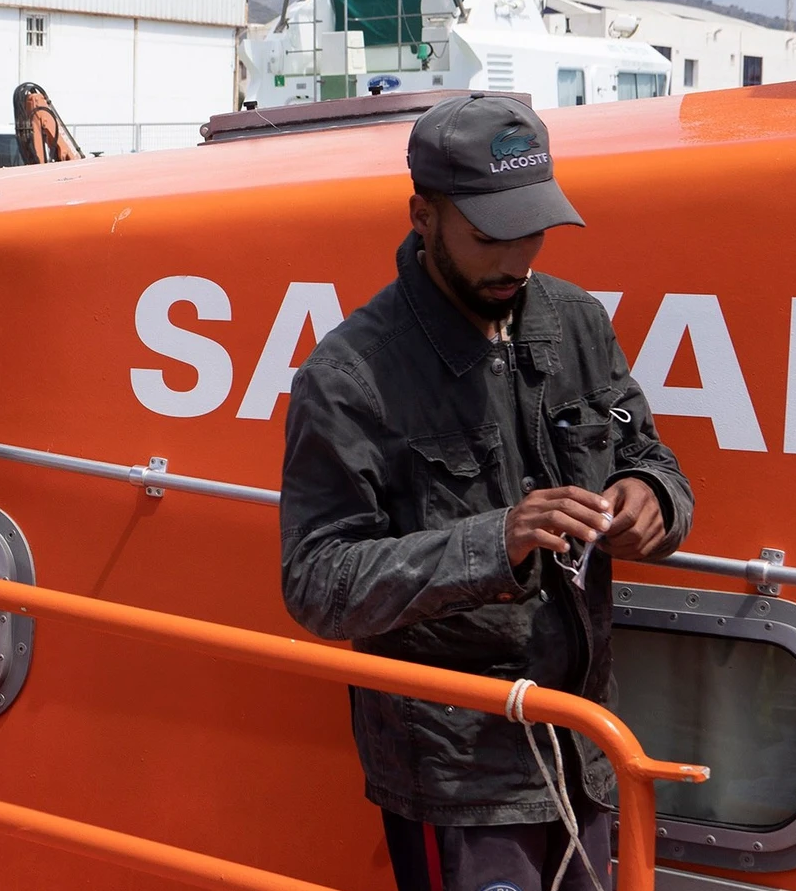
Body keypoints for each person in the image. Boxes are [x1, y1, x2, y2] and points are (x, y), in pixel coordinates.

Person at [279, 92, 693, 891]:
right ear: (422, 215)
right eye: (489, 235)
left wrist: (652, 497)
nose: (516, 259)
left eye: (532, 229)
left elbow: (654, 456)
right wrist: (494, 543)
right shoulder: (349, 375)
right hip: (457, 778)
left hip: (585, 748)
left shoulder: (575, 321)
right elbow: (317, 583)